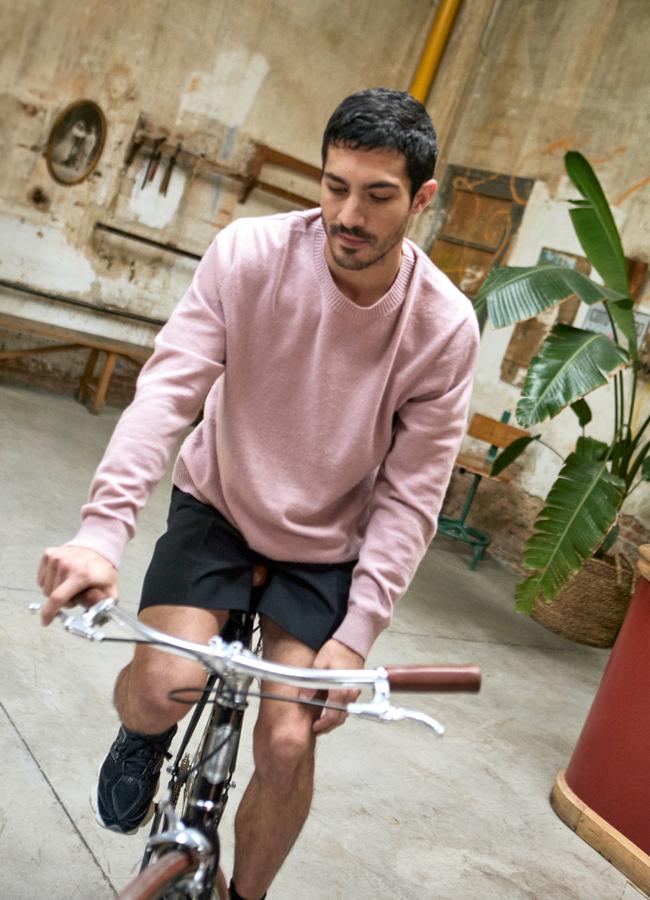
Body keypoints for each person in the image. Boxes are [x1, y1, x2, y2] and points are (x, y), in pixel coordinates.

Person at [37, 88, 479, 900]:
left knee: (284, 741)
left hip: (327, 550)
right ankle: (142, 737)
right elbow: (168, 393)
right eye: (334, 184)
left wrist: (355, 637)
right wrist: (101, 533)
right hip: (221, 511)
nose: (348, 213)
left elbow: (414, 494)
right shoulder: (249, 254)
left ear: (421, 198)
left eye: (378, 195)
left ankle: (247, 896)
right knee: (158, 688)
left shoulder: (444, 326)